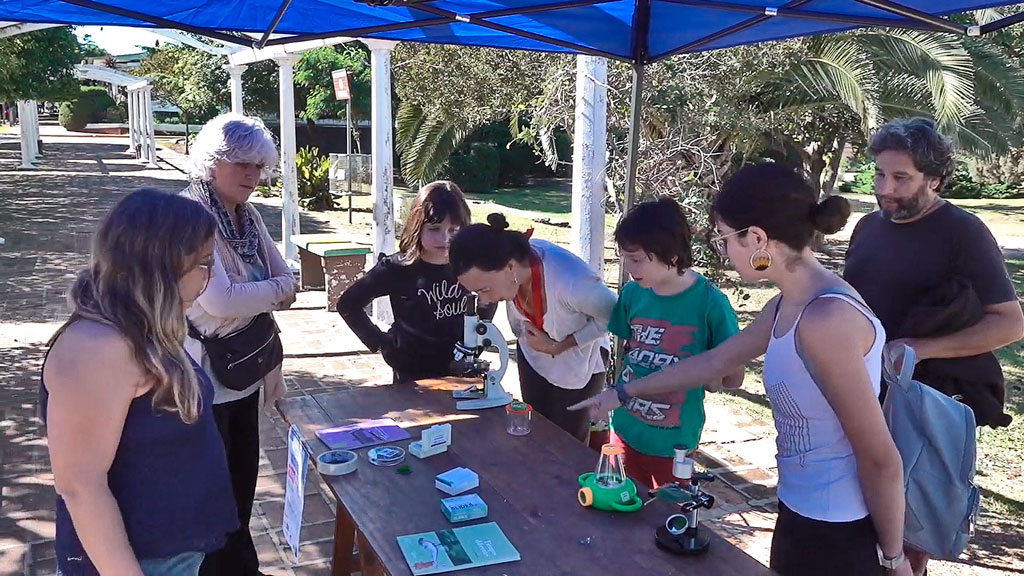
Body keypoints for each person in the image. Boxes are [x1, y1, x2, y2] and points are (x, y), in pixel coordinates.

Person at [570, 164, 911, 576]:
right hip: (799, 509)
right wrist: (622, 393)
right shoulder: (787, 304)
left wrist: (893, 560)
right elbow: (715, 362)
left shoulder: (827, 319)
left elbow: (879, 459)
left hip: (835, 528)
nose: (724, 251)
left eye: (726, 239)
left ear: (757, 238)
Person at [844, 117, 1024, 574]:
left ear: (935, 178)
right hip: (864, 392)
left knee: (909, 533)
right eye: (880, 174)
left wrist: (920, 348)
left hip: (928, 403)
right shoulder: (868, 227)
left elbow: (1009, 324)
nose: (885, 188)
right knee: (856, 520)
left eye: (901, 178)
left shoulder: (964, 233)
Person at [42, 189, 237, 575]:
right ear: (160, 265)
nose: (207, 277)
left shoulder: (142, 329)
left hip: (168, 553)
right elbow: (80, 485)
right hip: (136, 562)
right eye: (203, 263)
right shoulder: (97, 347)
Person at [181, 113, 296, 576]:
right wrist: (270, 292)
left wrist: (261, 292)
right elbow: (219, 299)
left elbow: (289, 279)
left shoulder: (244, 217)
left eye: (258, 166)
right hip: (202, 378)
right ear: (213, 163)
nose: (252, 175)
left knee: (242, 481)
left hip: (244, 368)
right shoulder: (191, 217)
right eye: (241, 164)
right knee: (211, 493)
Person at [608, 197, 744, 488]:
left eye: (636, 259)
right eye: (623, 256)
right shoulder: (632, 293)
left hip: (674, 443)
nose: (626, 266)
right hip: (623, 429)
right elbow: (630, 353)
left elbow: (734, 378)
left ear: (670, 255)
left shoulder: (710, 304)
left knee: (665, 521)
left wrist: (713, 375)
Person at [449, 213, 617, 442]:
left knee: (566, 446)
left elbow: (616, 315)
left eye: (485, 290)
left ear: (510, 267)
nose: (484, 301)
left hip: (578, 363)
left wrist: (560, 346)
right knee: (534, 431)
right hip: (533, 355)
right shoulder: (511, 265)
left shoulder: (573, 281)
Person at [337, 181, 493, 383]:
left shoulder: (471, 265)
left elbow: (489, 299)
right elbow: (348, 304)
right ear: (416, 227)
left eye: (453, 230)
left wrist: (477, 342)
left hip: (461, 369)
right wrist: (381, 343)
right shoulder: (396, 268)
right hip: (411, 372)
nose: (444, 238)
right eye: (434, 228)